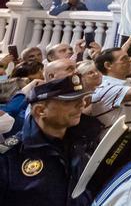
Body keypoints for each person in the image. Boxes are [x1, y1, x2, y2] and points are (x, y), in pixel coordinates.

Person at [0, 75, 98, 205]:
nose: (82, 104)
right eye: (69, 102)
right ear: (40, 110)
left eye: (81, 99)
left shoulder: (83, 140)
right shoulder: (9, 156)